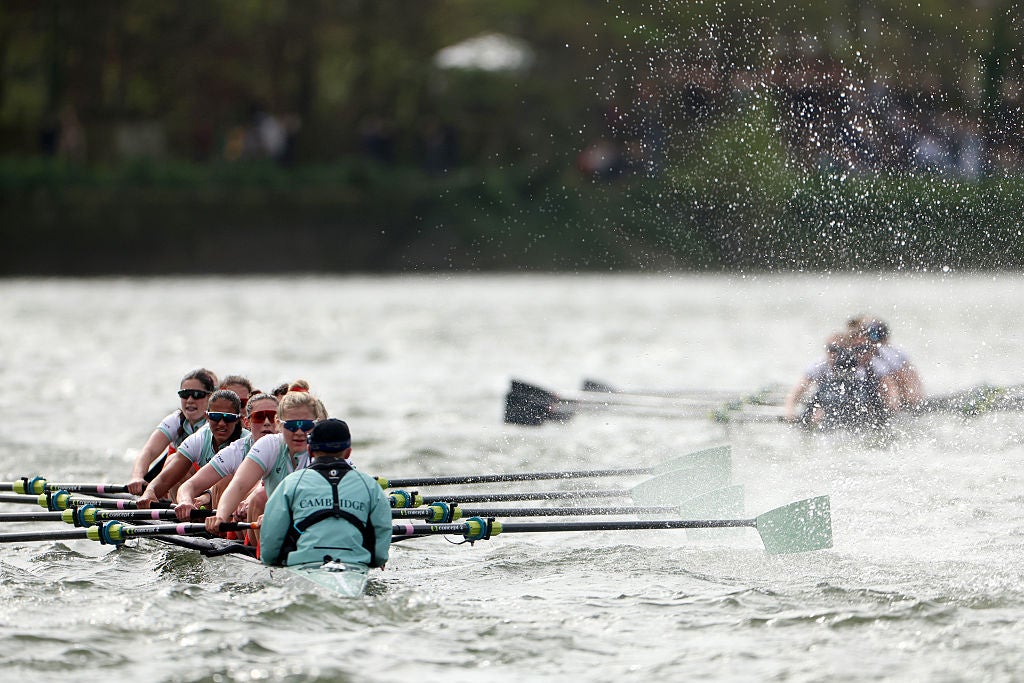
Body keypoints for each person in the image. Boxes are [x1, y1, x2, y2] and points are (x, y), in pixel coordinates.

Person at [258, 418, 391, 569]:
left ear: (309, 450)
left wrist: (272, 562)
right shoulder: (370, 486)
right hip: (354, 567)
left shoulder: (291, 483)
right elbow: (381, 542)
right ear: (348, 453)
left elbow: (270, 543)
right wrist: (376, 561)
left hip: (302, 566)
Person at [204, 385, 327, 537]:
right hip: (273, 527)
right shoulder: (269, 445)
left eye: (307, 426)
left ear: (316, 424)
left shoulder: (327, 449)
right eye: (291, 425)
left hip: (315, 526)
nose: (299, 432)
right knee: (260, 498)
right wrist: (221, 516)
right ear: (279, 423)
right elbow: (239, 486)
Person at [172, 392, 280, 521]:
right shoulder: (236, 450)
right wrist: (185, 501)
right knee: (228, 480)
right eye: (259, 417)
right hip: (243, 521)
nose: (267, 422)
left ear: (279, 421)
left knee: (260, 494)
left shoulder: (295, 446)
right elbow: (190, 485)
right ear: (247, 422)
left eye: (272, 416)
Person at [136, 389, 249, 508]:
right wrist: (149, 492)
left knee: (228, 474)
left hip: (237, 498)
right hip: (203, 495)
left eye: (228, 418)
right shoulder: (199, 438)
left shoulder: (247, 443)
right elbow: (165, 480)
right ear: (207, 416)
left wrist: (208, 496)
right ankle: (184, 513)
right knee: (173, 461)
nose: (221, 423)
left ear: (238, 419)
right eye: (215, 416)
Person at [126, 368, 218, 495]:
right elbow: (149, 451)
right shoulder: (175, 420)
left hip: (208, 487)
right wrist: (137, 477)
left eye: (197, 394)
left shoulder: (216, 423)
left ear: (210, 397)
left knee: (175, 460)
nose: (190, 400)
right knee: (174, 461)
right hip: (178, 488)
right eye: (185, 394)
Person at [785, 332, 898, 430]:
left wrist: (892, 405)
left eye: (837, 350)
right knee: (816, 412)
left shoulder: (867, 365)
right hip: (828, 403)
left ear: (847, 349)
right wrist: (790, 411)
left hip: (862, 404)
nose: (834, 354)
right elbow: (798, 391)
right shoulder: (819, 365)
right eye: (831, 349)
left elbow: (890, 388)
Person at [862, 318, 924, 408]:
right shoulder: (891, 352)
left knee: (900, 374)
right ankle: (910, 402)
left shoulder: (890, 352)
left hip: (882, 392)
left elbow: (908, 374)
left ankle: (909, 401)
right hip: (874, 390)